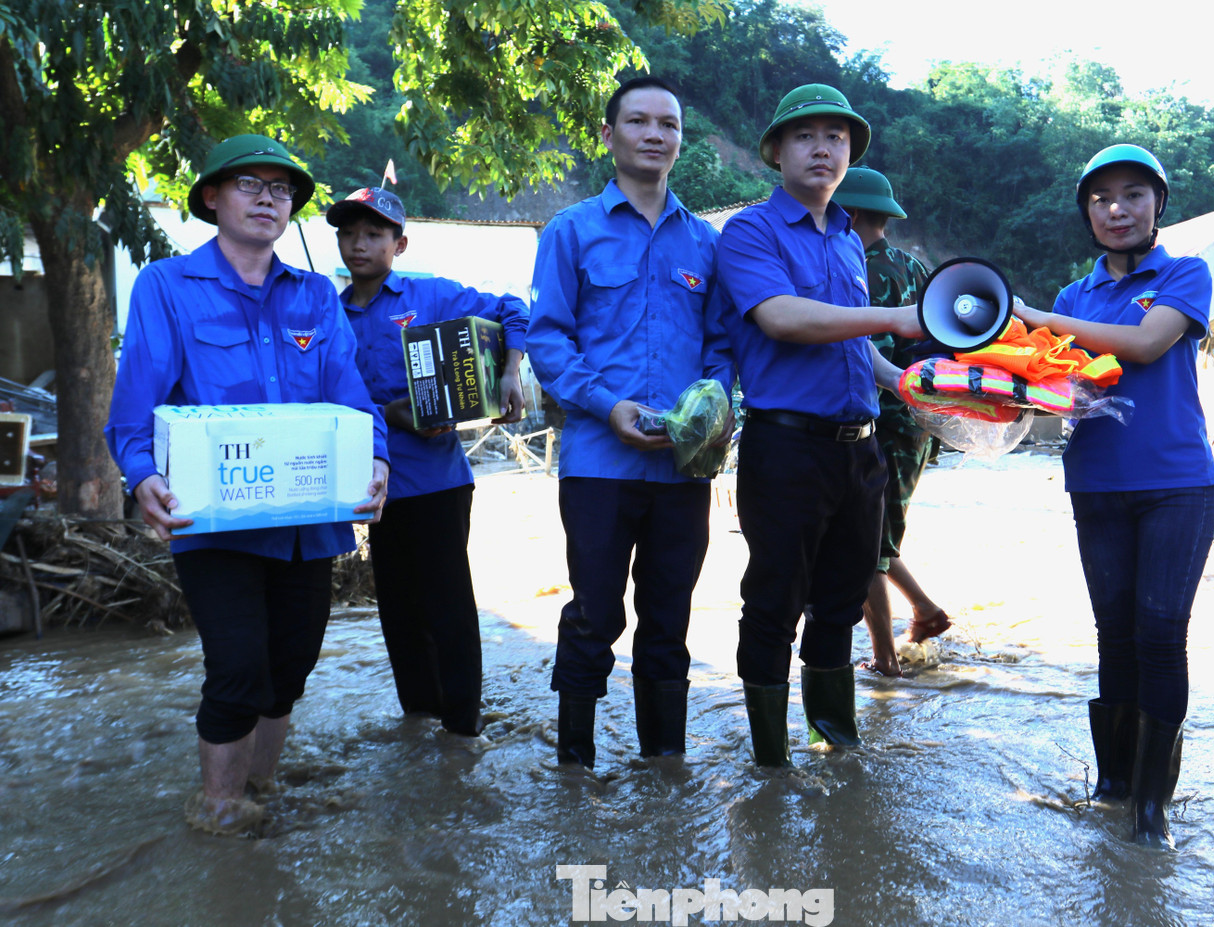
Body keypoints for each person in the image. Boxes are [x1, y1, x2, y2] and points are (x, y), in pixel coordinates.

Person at [105, 135, 390, 835]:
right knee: (236, 667)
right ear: (212, 197)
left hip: (308, 524)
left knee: (288, 670)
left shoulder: (316, 297)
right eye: (249, 184)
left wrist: (376, 459)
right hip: (214, 523)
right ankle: (220, 808)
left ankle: (262, 788)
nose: (269, 198)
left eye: (282, 189)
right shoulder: (168, 287)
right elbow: (135, 404)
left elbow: (350, 397)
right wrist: (141, 474)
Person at [712, 85, 924, 766]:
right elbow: (782, 318)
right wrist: (893, 318)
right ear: (776, 151)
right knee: (774, 599)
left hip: (858, 452)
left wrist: (905, 381)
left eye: (837, 137)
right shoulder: (750, 231)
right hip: (786, 447)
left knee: (839, 602)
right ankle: (770, 761)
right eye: (807, 136)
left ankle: (833, 744)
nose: (824, 148)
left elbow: (849, 342)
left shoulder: (847, 239)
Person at [1012, 144, 1214, 848]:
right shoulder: (1077, 295)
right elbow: (1062, 392)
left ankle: (1152, 807)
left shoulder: (1185, 273)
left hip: (1176, 484)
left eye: (1133, 194)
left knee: (1160, 635)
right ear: (1087, 213)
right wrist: (986, 395)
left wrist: (1036, 317)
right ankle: (1114, 784)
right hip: (1096, 482)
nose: (1117, 209)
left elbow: (1147, 344)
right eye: (1101, 199)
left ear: (1159, 203)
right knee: (1115, 636)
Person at [527, 76, 732, 768]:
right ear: (609, 136)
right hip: (597, 463)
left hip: (682, 470)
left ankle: (664, 765)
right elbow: (548, 337)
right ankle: (575, 764)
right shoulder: (571, 230)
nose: (655, 134)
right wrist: (606, 405)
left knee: (669, 617)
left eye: (668, 124)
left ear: (680, 140)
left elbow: (721, 347)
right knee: (594, 612)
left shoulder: (706, 244)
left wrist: (712, 413)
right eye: (638, 122)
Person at [328, 186, 528, 736]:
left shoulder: (432, 296)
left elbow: (513, 308)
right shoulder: (327, 315)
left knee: (449, 606)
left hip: (439, 482)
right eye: (348, 234)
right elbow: (326, 395)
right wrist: (388, 413)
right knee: (396, 607)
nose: (359, 245)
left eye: (373, 234)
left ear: (400, 244)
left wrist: (508, 372)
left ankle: (463, 730)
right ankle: (417, 719)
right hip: (374, 487)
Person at [830, 166, 951, 679]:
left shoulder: (854, 265)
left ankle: (885, 662)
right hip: (921, 420)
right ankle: (924, 613)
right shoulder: (915, 267)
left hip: (880, 423)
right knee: (873, 537)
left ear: (850, 214)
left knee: (866, 548)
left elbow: (866, 357)